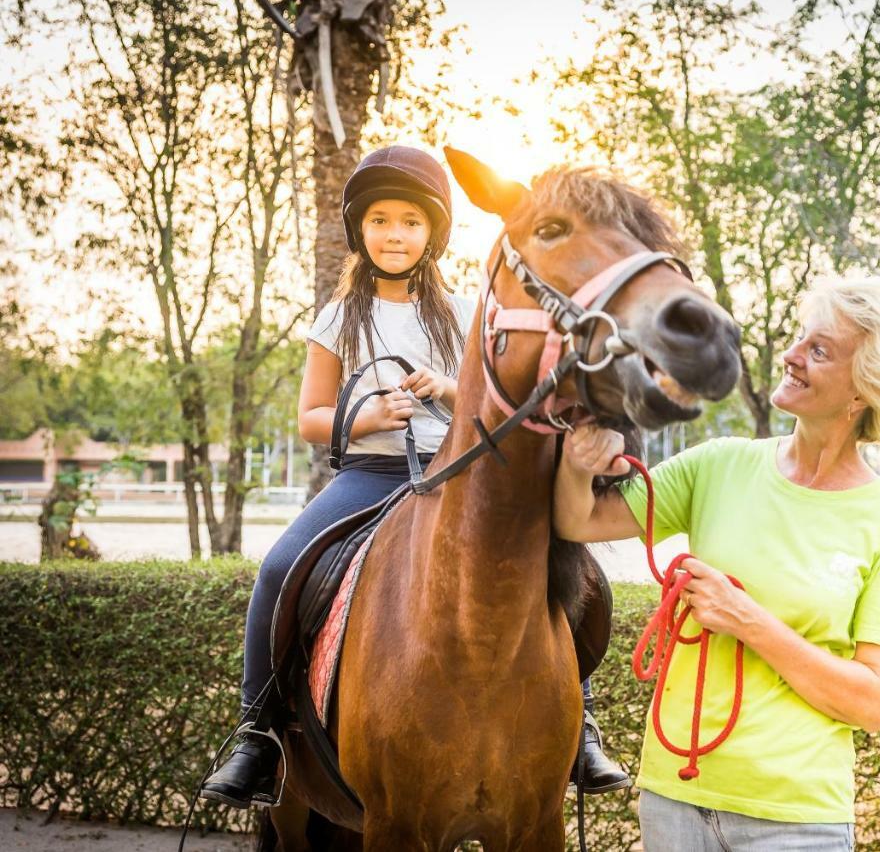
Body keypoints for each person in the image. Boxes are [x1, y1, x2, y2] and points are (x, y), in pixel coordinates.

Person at [200, 146, 626, 809]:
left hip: (456, 470)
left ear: (432, 233)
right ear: (359, 230)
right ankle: (258, 733)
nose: (393, 234)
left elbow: (501, 400)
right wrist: (364, 411)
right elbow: (312, 416)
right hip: (370, 473)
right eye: (378, 220)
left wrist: (454, 390)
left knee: (563, 564)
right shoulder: (338, 317)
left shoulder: (464, 311)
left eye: (408, 221)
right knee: (281, 566)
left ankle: (583, 725)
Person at [554, 278, 880, 850]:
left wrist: (745, 618)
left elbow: (874, 702)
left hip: (797, 819)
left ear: (865, 390)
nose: (791, 355)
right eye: (799, 337)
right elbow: (579, 522)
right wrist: (577, 466)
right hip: (675, 800)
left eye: (820, 350)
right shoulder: (718, 464)